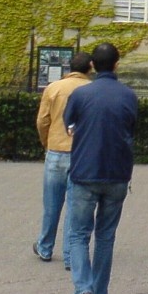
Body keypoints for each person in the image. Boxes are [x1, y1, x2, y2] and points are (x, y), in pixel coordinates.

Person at [63, 43, 138, 294]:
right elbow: (131, 128)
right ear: (117, 64)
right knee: (105, 236)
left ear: (92, 66)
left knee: (79, 234)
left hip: (85, 171)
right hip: (118, 173)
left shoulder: (81, 94)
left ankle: (83, 289)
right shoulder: (129, 96)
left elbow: (67, 125)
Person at [33, 51, 92, 267]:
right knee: (75, 207)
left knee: (51, 204)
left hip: (56, 149)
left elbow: (42, 120)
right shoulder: (91, 90)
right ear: (90, 68)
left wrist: (46, 141)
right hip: (81, 153)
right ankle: (70, 255)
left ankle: (45, 247)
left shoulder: (54, 87)